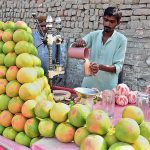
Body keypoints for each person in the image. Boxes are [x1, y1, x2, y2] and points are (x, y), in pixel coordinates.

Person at [72, 7, 127, 91]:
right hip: (88, 85)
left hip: (107, 88)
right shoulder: (93, 35)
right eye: (106, 20)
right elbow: (74, 51)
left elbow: (118, 67)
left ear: (118, 23)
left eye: (112, 22)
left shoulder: (121, 40)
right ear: (103, 19)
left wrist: (99, 67)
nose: (107, 24)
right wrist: (77, 44)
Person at [32, 16, 65, 80]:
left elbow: (59, 56)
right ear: (37, 26)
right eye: (41, 26)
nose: (44, 28)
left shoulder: (54, 38)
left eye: (46, 26)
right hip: (35, 72)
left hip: (50, 72)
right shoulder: (32, 37)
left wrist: (60, 74)